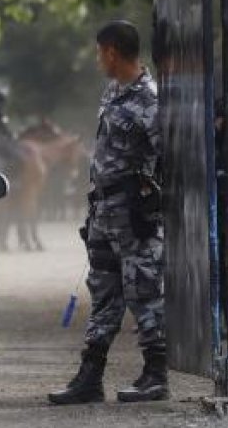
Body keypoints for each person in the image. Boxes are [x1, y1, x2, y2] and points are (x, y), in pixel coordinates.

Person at [49, 20, 167, 405]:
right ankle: (90, 377)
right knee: (103, 292)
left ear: (112, 51)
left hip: (133, 214)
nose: (98, 58)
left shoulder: (150, 102)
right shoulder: (113, 93)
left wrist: (151, 198)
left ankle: (156, 375)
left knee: (143, 290)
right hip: (103, 211)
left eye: (100, 51)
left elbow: (167, 160)